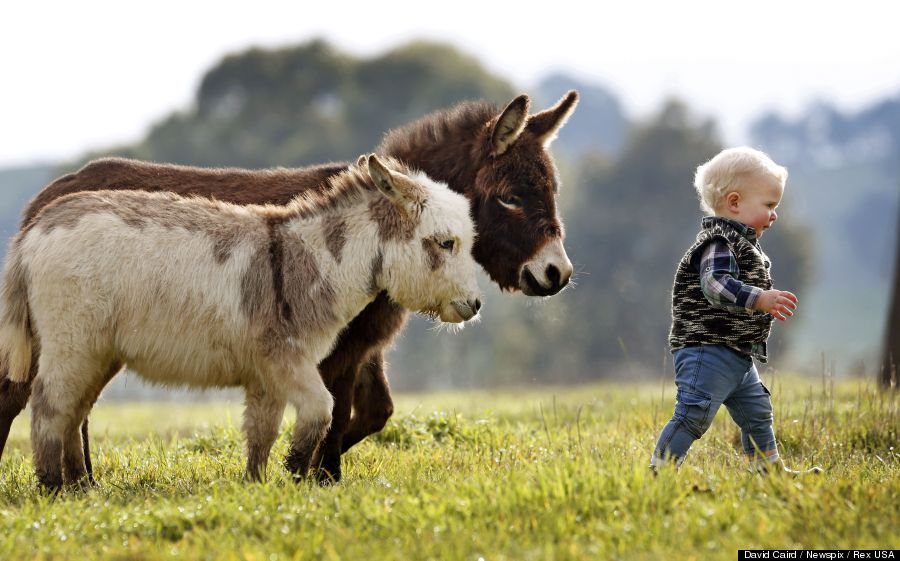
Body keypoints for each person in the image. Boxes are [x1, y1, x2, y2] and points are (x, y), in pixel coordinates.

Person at [651, 146, 819, 475]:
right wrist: (759, 297)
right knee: (694, 413)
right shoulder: (718, 242)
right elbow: (714, 285)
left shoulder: (742, 243)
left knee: (757, 411)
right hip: (705, 348)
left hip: (736, 353)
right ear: (734, 202)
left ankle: (767, 471)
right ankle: (660, 471)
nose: (774, 214)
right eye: (769, 205)